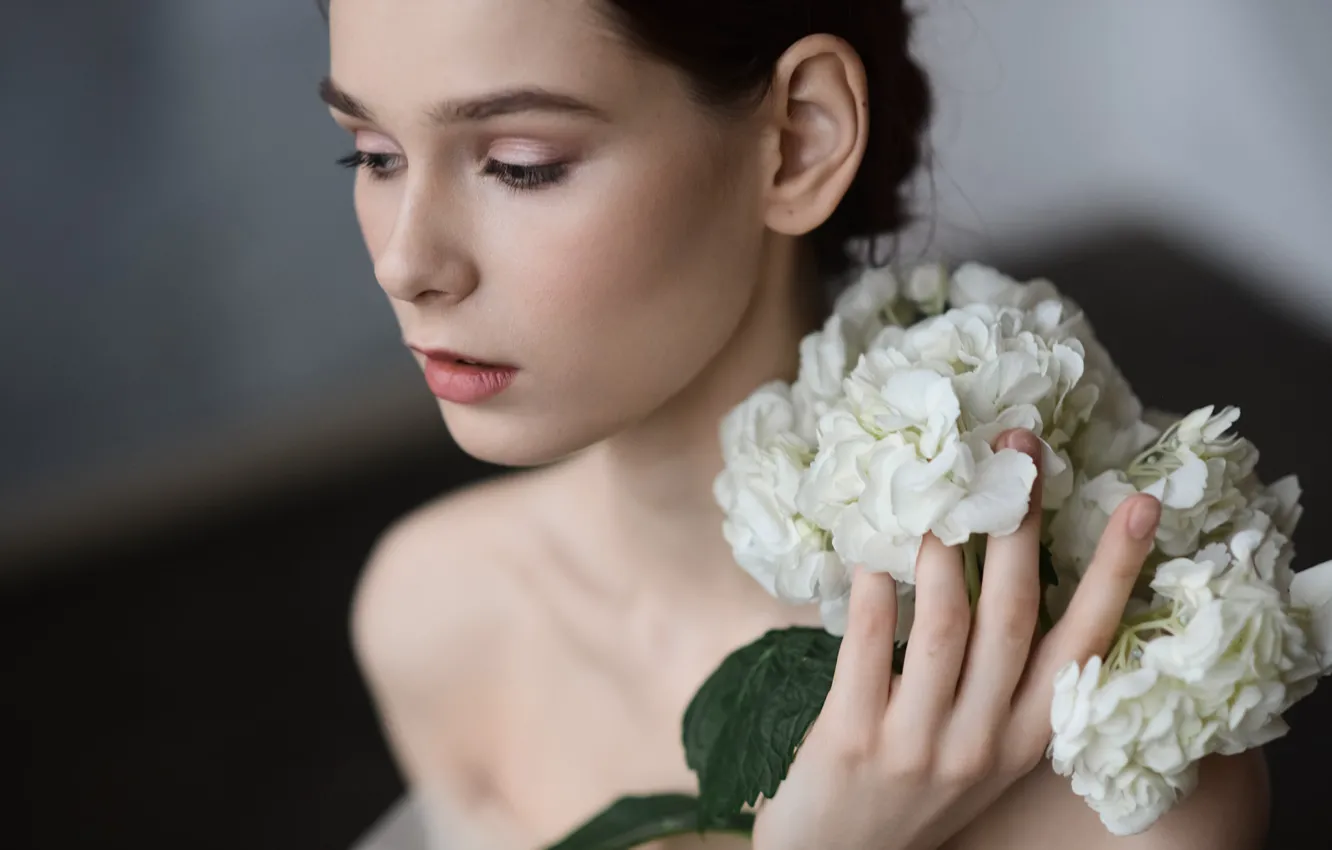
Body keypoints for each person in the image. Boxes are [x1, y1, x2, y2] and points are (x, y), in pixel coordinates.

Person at [319, 1, 1271, 847]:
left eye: (521, 166)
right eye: (373, 156)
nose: (405, 264)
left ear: (800, 140)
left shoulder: (1124, 784)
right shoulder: (441, 619)